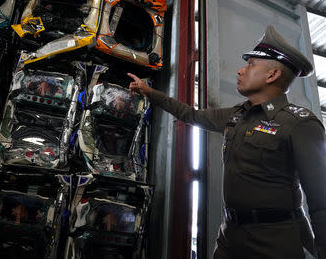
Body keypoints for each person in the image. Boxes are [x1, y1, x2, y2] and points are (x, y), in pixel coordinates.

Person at [128, 26, 326, 259]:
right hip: (230, 236)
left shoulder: (299, 123)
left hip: (275, 240)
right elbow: (191, 115)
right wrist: (149, 92)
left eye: (250, 65)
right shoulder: (236, 115)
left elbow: (321, 198)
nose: (241, 71)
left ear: (272, 75)